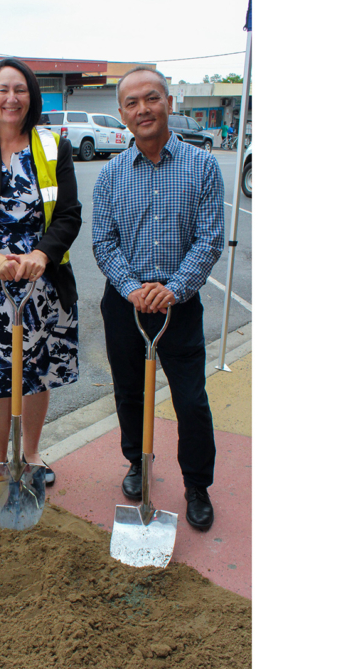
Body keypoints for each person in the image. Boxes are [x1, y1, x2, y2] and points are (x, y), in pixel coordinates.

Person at [92, 67, 225, 531]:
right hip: (125, 304)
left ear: (169, 102)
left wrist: (173, 289)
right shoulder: (110, 174)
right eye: (131, 103)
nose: (142, 109)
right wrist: (132, 288)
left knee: (190, 399)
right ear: (122, 114)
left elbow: (209, 239)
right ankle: (137, 462)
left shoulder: (202, 167)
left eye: (151, 98)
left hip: (179, 305)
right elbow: (103, 242)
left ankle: (196, 485)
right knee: (129, 390)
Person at [0, 58, 82, 492]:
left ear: (31, 95)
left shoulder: (53, 145)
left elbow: (68, 214)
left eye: (19, 89)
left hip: (42, 284)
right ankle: (0, 459)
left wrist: (43, 254)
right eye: (3, 89)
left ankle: (33, 454)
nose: (11, 98)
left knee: (38, 371)